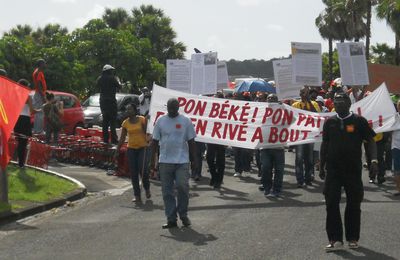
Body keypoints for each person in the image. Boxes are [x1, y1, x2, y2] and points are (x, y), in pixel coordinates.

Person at [320, 93, 378, 251]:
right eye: (336, 101)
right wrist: (321, 164)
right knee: (331, 203)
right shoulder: (329, 122)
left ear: (349, 104)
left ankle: (352, 238)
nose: (338, 104)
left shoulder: (359, 121)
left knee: (353, 203)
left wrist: (373, 160)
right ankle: (335, 239)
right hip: (333, 170)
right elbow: (325, 144)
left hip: (352, 170)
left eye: (341, 101)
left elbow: (370, 140)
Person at [150, 98, 198, 229]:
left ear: (178, 107)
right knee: (167, 192)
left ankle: (183, 214)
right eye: (169, 108)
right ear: (167, 108)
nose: (171, 111)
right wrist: (151, 161)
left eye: (174, 108)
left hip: (182, 161)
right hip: (165, 161)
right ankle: (171, 218)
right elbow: (154, 141)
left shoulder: (185, 121)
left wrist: (194, 161)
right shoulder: (160, 121)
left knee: (183, 187)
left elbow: (191, 142)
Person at [116, 104, 150, 203]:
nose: (128, 111)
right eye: (127, 109)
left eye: (130, 109)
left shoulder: (142, 119)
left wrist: (147, 122)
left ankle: (147, 188)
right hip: (131, 149)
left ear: (135, 110)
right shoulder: (125, 123)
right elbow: (122, 138)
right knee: (133, 173)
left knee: (142, 170)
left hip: (142, 148)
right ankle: (137, 195)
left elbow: (145, 132)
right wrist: (117, 150)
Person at [292, 87, 321, 187]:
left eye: (306, 93)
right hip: (299, 136)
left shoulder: (314, 104)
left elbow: (318, 115)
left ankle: (308, 178)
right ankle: (300, 180)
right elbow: (292, 118)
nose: (304, 95)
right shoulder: (295, 105)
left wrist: (309, 104)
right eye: (302, 93)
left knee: (309, 158)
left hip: (310, 135)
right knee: (299, 158)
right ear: (300, 94)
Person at [259, 94, 285, 197]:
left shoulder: (283, 111)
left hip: (278, 146)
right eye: (269, 98)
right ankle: (267, 187)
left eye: (273, 99)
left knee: (279, 170)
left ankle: (277, 189)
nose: (270, 100)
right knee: (265, 168)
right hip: (264, 146)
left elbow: (293, 120)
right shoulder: (260, 111)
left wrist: (283, 107)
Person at [14, 79, 37, 168]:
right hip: (25, 119)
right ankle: (21, 163)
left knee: (19, 141)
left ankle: (17, 161)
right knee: (23, 143)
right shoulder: (28, 96)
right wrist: (37, 110)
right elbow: (31, 110)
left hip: (17, 119)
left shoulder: (16, 95)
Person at [96, 64, 120, 144]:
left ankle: (105, 140)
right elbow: (119, 86)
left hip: (102, 102)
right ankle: (114, 140)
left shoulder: (100, 78)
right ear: (109, 71)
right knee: (112, 121)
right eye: (111, 70)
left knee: (105, 121)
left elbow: (97, 86)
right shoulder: (112, 78)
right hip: (111, 102)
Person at [32, 59, 47, 134]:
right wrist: (43, 95)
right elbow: (39, 84)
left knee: (38, 113)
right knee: (40, 112)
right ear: (41, 64)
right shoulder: (38, 72)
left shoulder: (37, 71)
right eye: (44, 63)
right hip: (39, 93)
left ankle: (36, 130)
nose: (45, 65)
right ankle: (39, 131)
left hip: (38, 93)